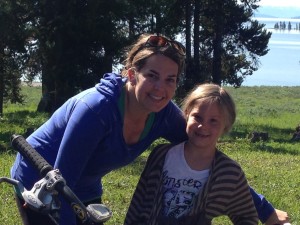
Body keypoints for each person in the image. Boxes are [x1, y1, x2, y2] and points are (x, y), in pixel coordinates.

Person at [10, 33, 289, 225]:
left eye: (170, 79)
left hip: (85, 183)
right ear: (131, 74)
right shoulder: (96, 111)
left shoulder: (164, 115)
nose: (161, 88)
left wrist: (264, 211)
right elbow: (60, 186)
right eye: (152, 76)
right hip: (41, 179)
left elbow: (208, 152)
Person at [125, 83, 259, 224]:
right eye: (197, 117)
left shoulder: (228, 173)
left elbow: (247, 216)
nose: (203, 126)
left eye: (213, 121)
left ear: (226, 125)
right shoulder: (161, 155)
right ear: (187, 114)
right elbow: (137, 205)